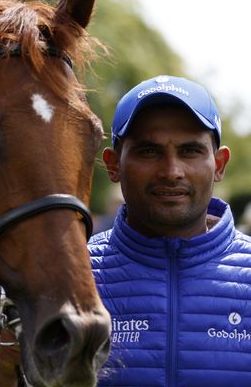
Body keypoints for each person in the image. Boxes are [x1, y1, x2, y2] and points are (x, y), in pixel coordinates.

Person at [88, 75, 251, 385]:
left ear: (219, 164)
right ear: (112, 165)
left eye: (190, 151)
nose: (171, 171)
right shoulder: (72, 277)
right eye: (149, 151)